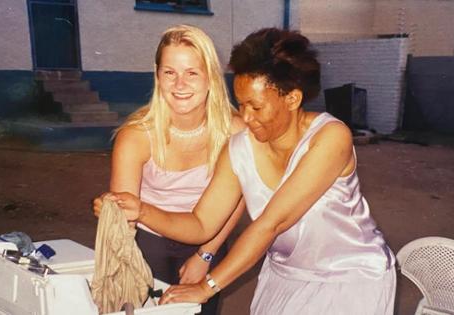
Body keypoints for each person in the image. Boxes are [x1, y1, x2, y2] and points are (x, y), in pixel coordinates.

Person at [96, 27, 396, 314]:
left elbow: (271, 224)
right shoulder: (240, 147)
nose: (246, 117)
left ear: (292, 98)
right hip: (285, 275)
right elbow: (201, 224)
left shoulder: (331, 137)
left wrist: (207, 286)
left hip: (350, 277)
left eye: (256, 106)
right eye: (241, 104)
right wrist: (141, 211)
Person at [94, 24, 245, 315]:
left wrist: (206, 254)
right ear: (157, 76)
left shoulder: (235, 130)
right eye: (169, 73)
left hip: (209, 239)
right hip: (150, 241)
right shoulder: (136, 135)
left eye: (192, 73)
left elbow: (238, 201)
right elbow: (126, 218)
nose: (180, 84)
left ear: (210, 77)